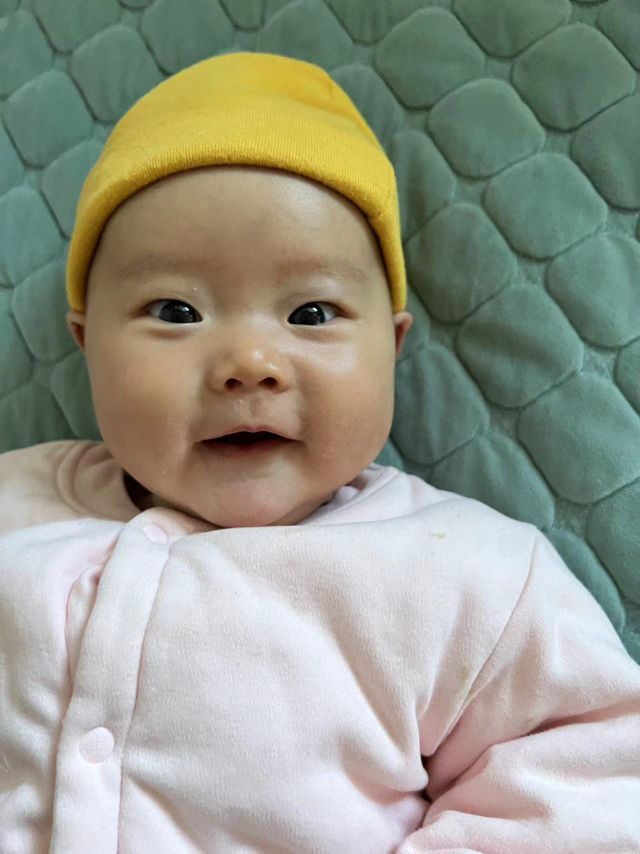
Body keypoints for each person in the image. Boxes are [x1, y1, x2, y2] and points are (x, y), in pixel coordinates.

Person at [0, 51, 638, 853]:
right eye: (175, 310)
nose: (249, 363)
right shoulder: (15, 506)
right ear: (86, 342)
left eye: (310, 313)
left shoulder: (468, 573)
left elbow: (597, 777)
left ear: (391, 347)